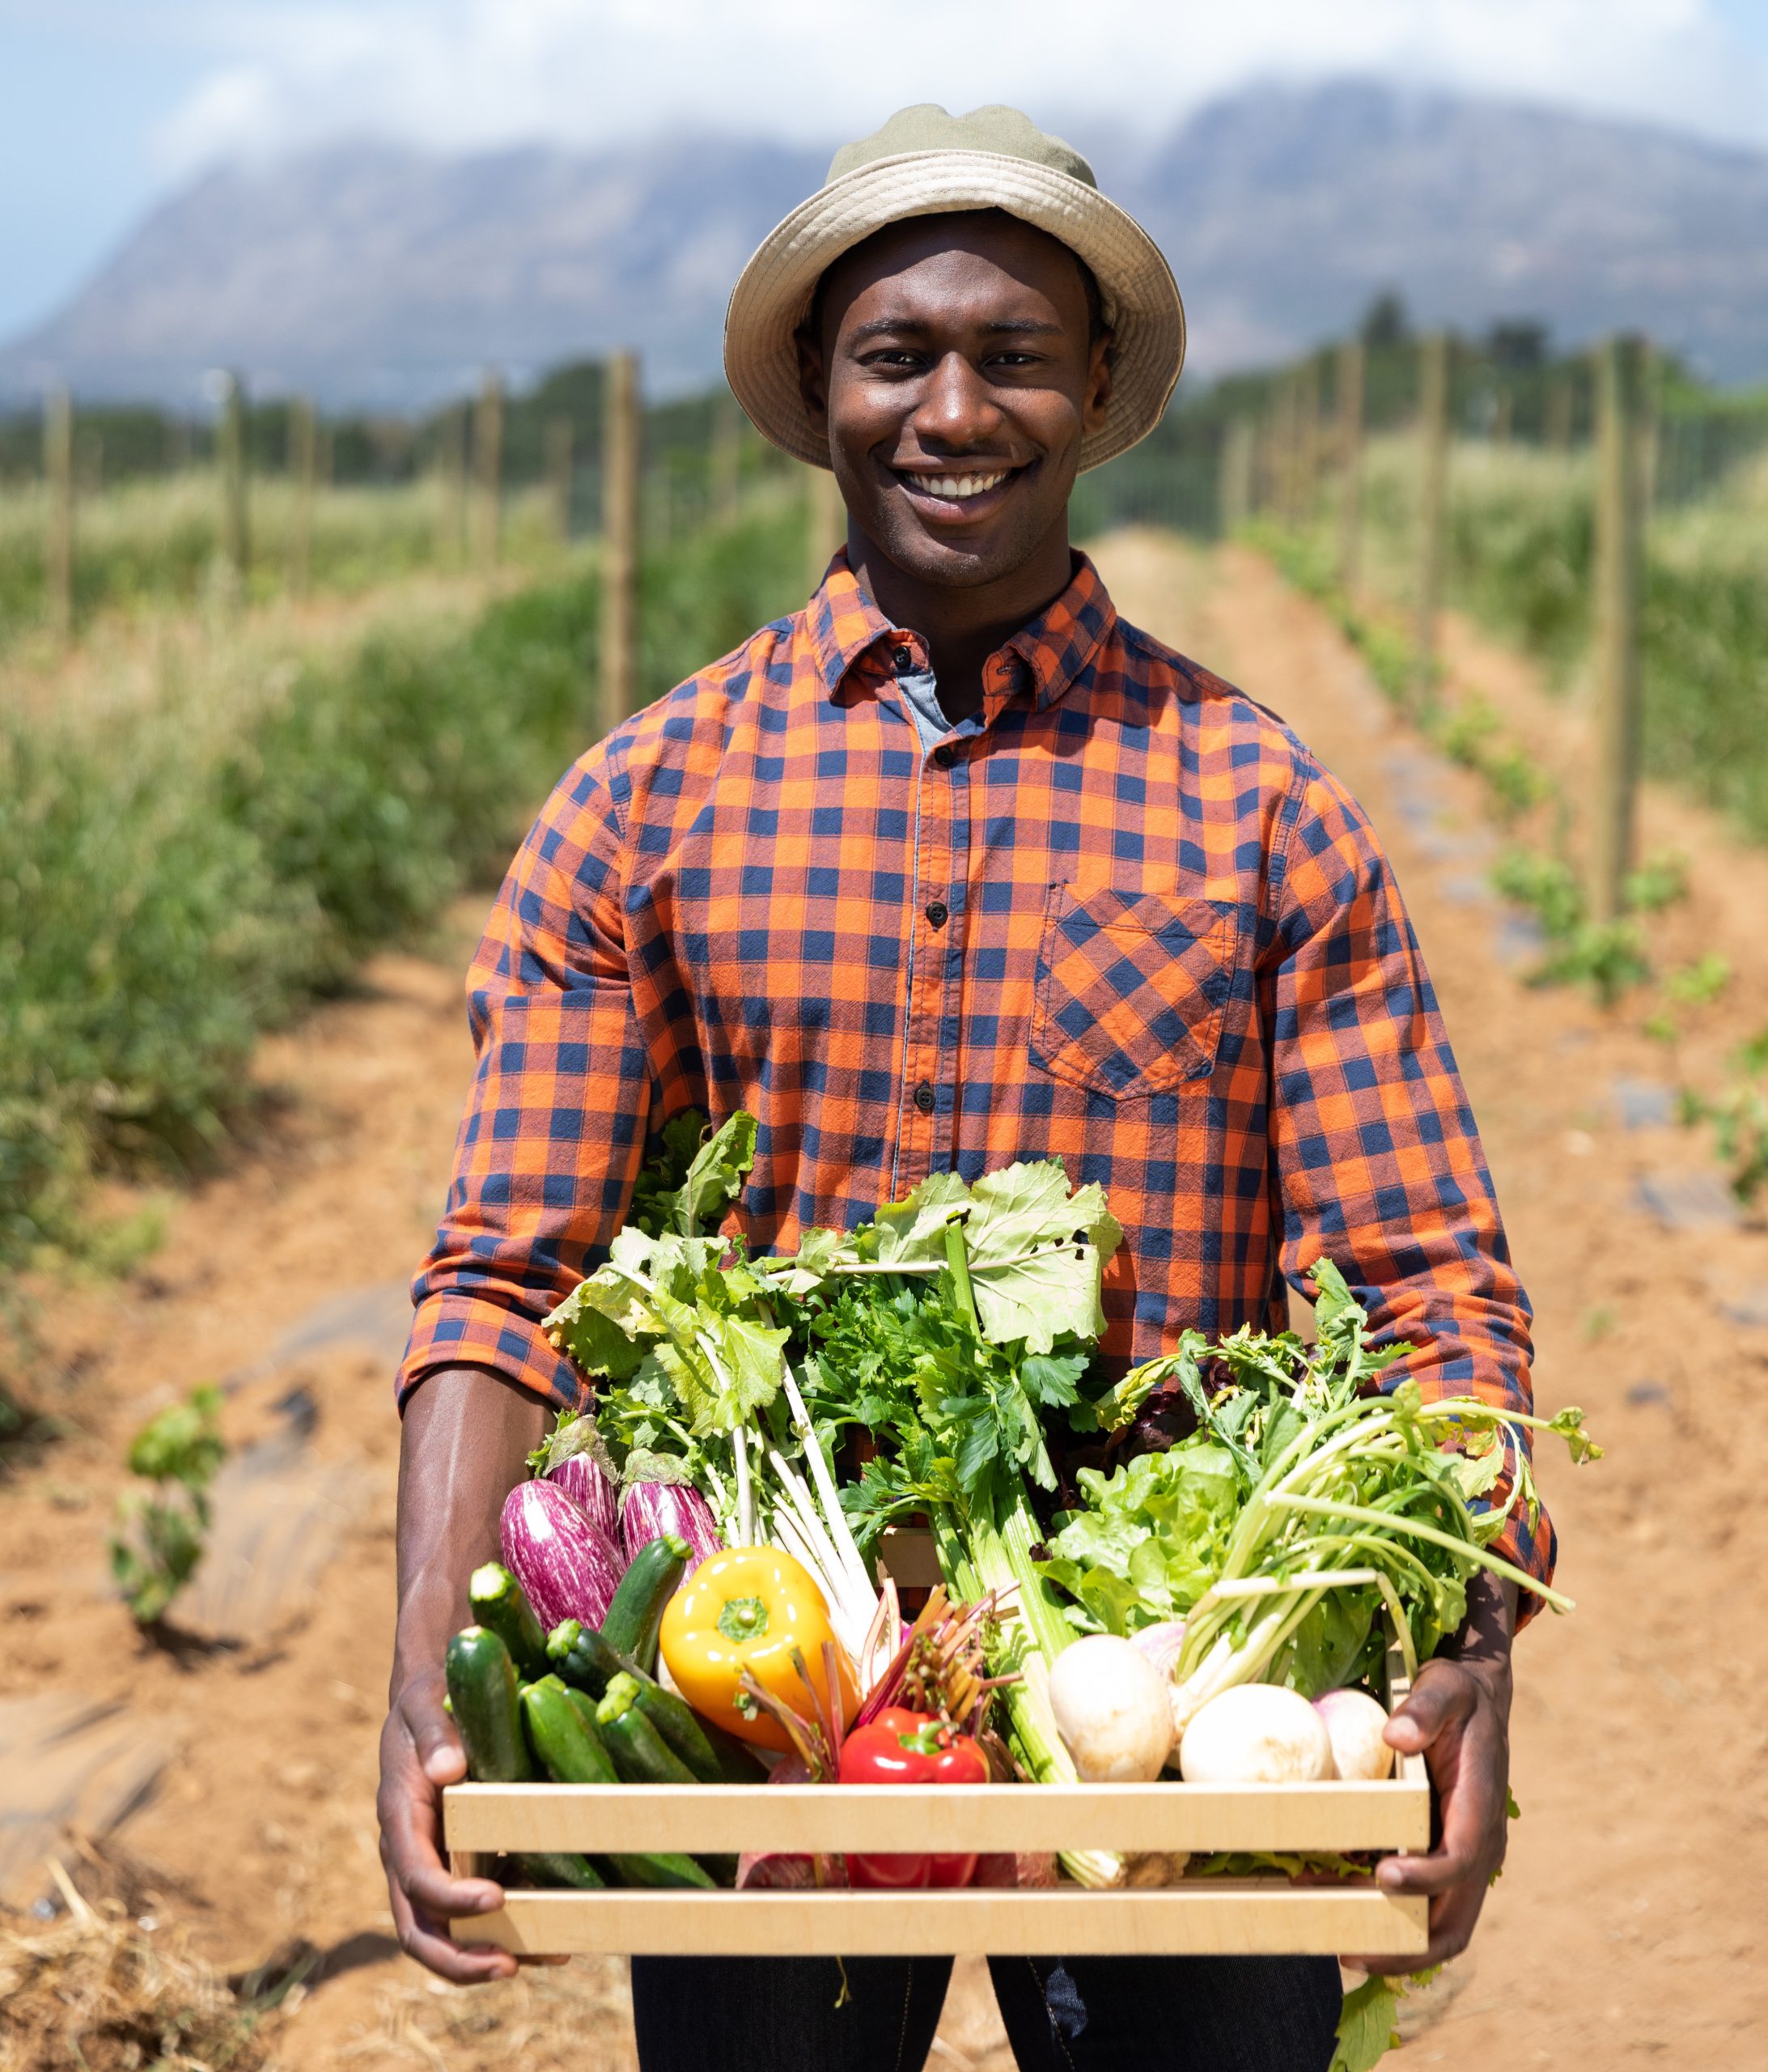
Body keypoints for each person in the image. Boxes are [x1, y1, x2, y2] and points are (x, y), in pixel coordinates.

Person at [378, 104, 1553, 2072]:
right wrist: (427, 1669)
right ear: (818, 393)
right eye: (897, 353)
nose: (955, 408)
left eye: (1014, 354)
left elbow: (1432, 1286)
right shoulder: (644, 809)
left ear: (1095, 392)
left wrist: (1464, 1648)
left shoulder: (1261, 809)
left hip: (1168, 1698)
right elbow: (504, 1276)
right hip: (765, 1700)